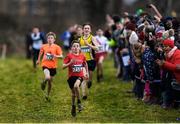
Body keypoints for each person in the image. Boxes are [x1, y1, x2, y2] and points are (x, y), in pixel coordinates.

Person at [63, 41, 89, 117]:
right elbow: (63, 66)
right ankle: (73, 106)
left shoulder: (82, 56)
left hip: (80, 76)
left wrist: (86, 72)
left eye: (77, 46)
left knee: (76, 86)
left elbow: (85, 64)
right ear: (71, 48)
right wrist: (69, 63)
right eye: (74, 46)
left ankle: (79, 102)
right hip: (71, 77)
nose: (76, 47)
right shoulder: (69, 56)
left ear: (79, 48)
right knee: (73, 94)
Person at [36, 32, 63, 101]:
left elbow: (61, 56)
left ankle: (47, 95)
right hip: (45, 64)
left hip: (53, 67)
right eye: (48, 38)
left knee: (50, 83)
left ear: (54, 40)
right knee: (47, 77)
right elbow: (40, 53)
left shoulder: (57, 47)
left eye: (51, 38)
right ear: (47, 39)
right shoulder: (43, 46)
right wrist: (38, 60)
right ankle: (43, 83)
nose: (50, 39)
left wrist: (56, 56)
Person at [79, 23, 99, 100]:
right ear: (83, 30)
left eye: (88, 28)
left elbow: (97, 48)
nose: (86, 29)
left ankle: (90, 81)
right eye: (85, 28)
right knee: (84, 77)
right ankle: (84, 94)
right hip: (82, 61)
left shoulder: (92, 38)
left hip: (91, 60)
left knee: (89, 78)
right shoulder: (80, 39)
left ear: (90, 30)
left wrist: (89, 45)